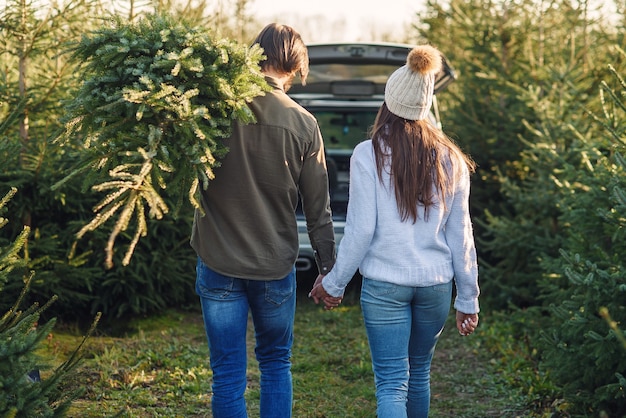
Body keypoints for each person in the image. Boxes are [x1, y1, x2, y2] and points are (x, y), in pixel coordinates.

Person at [309, 44, 480, 418]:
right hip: (435, 285)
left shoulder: (367, 154)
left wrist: (334, 284)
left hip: (385, 285)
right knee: (419, 375)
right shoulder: (452, 159)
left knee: (391, 383)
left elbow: (359, 231)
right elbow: (461, 234)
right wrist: (468, 298)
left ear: (387, 102)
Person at [191, 23, 336, 418]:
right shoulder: (305, 124)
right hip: (274, 267)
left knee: (226, 374)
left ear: (255, 54)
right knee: (275, 363)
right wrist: (328, 270)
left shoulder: (213, 109)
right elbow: (318, 209)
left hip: (219, 261)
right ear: (296, 66)